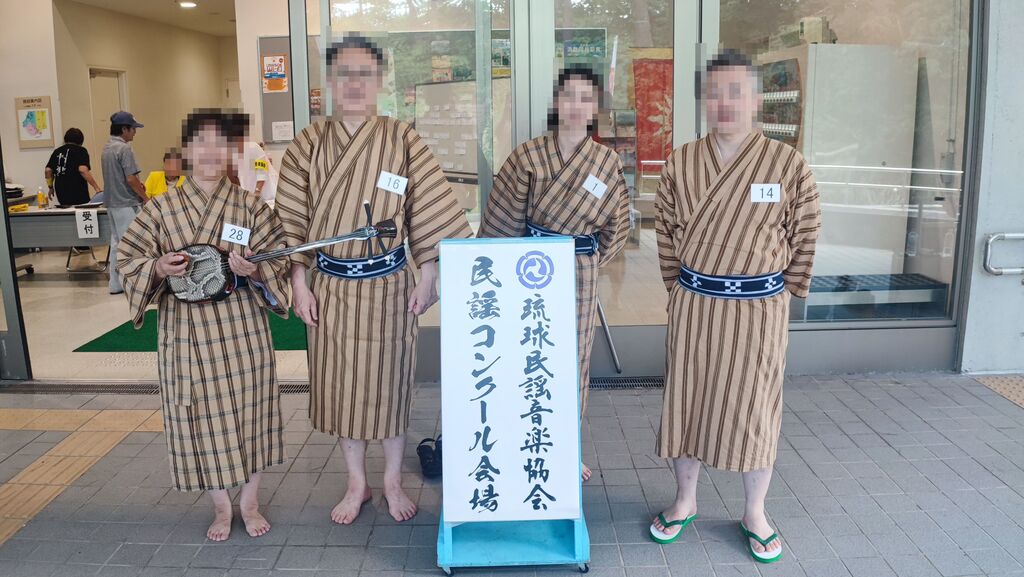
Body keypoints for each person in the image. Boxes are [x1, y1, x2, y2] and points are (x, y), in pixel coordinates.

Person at [276, 34, 471, 525]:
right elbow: (291, 220)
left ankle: (391, 480)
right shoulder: (307, 144)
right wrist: (298, 281)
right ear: (330, 81)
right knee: (343, 388)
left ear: (380, 80)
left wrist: (429, 273)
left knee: (390, 385)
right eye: (345, 73)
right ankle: (356, 482)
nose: (355, 83)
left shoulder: (403, 138)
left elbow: (427, 208)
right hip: (331, 288)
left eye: (365, 74)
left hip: (390, 286)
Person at [649, 51, 821, 562]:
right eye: (714, 93)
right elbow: (665, 232)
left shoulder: (787, 164)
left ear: (756, 100)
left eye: (736, 92)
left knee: (756, 408)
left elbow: (806, 232)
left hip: (759, 309)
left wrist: (782, 292)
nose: (724, 103)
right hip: (695, 305)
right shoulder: (682, 162)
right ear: (704, 100)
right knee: (687, 402)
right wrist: (679, 288)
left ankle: (755, 511)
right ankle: (684, 500)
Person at [116, 110, 290, 541]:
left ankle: (250, 502)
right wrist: (158, 267)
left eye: (220, 144)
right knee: (198, 414)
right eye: (201, 143)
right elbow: (128, 258)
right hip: (185, 331)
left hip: (242, 326)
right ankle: (221, 506)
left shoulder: (250, 207)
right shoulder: (161, 209)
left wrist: (254, 270)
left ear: (231, 151)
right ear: (187, 150)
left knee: (252, 409)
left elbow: (279, 258)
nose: (211, 153)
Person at [479, 65, 630, 482]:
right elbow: (501, 222)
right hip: (528, 269)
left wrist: (589, 262)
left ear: (595, 107)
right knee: (527, 356)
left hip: (579, 272)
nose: (576, 105)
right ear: (555, 103)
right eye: (568, 96)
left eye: (585, 98)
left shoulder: (607, 162)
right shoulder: (527, 156)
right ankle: (522, 438)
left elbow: (616, 227)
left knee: (572, 360)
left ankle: (566, 446)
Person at [101, 111, 148, 295]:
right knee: (132, 245)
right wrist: (145, 197)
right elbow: (130, 179)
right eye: (133, 129)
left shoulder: (107, 148)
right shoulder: (124, 149)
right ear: (124, 129)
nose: (135, 132)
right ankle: (134, 283)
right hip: (126, 204)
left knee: (116, 244)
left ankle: (115, 283)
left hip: (111, 203)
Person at [45, 128, 101, 206]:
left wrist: (50, 187)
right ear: (81, 141)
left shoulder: (57, 151)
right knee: (82, 210)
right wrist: (96, 187)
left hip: (61, 192)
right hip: (78, 191)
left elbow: (48, 170)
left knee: (66, 210)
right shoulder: (81, 150)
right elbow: (83, 170)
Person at [235, 139, 279, 207]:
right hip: (249, 195)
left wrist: (257, 192)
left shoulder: (253, 147)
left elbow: (262, 174)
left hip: (267, 194)